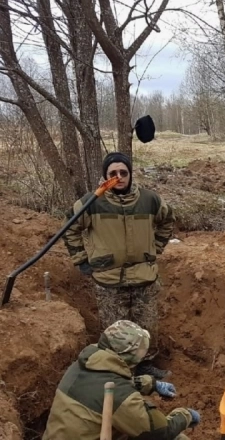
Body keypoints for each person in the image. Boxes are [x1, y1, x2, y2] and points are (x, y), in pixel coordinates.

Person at [63, 152, 175, 379]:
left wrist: (156, 248)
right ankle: (119, 372)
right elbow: (70, 228)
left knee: (147, 326)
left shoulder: (149, 200)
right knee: (115, 331)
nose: (119, 177)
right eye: (113, 173)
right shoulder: (91, 202)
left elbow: (167, 221)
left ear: (130, 174)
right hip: (109, 280)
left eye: (123, 173)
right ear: (105, 176)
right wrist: (82, 260)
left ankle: (145, 366)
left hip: (145, 278)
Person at [43, 320, 200, 440]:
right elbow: (159, 431)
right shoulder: (119, 396)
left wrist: (149, 384)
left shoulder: (82, 365)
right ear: (128, 355)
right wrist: (185, 415)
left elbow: (103, 387)